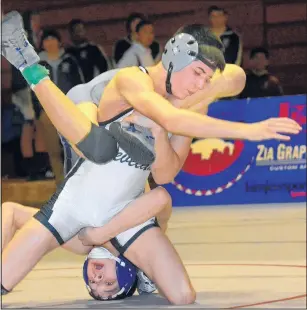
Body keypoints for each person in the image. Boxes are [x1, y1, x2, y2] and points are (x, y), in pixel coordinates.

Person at [1, 11, 301, 304]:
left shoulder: (183, 109)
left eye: (205, 79)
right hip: (91, 100)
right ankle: (32, 67)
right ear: (176, 58)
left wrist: (159, 133)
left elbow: (167, 174)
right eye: (198, 74)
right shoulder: (138, 82)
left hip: (113, 187)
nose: (200, 84)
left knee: (183, 295)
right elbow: (178, 116)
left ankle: (135, 249)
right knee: (102, 148)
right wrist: (248, 130)